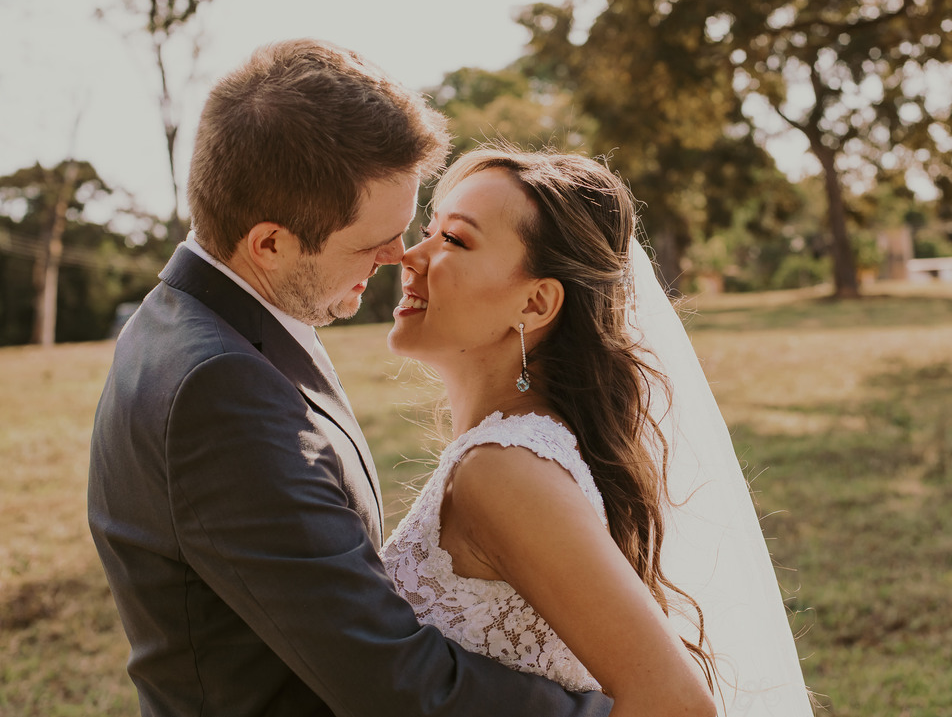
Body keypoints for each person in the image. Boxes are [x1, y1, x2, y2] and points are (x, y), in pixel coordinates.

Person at [88, 40, 612, 717]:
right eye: (373, 243)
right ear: (270, 243)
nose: (402, 258)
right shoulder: (218, 388)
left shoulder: (204, 316)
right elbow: (390, 678)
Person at [383, 147, 813, 716]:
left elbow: (677, 705)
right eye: (428, 231)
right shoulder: (512, 450)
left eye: (454, 241)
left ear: (535, 302)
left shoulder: (503, 468)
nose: (410, 256)